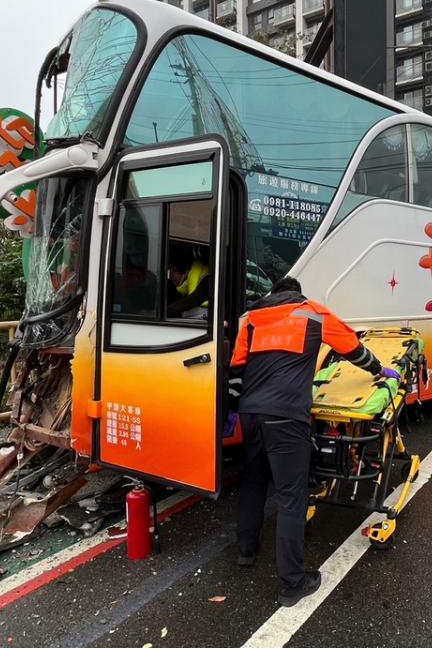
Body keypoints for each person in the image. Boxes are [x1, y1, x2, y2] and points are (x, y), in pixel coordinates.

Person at [229, 276, 400, 607]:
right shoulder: (311, 313)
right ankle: (292, 582)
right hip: (286, 416)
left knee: (253, 480)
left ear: (273, 296)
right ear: (297, 294)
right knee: (292, 496)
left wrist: (236, 409)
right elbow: (352, 348)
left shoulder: (252, 319)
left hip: (251, 415)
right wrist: (380, 369)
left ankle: (246, 551)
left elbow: (236, 370)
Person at [167, 247, 209, 319]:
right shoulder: (183, 286)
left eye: (172, 271)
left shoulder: (206, 279)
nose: (171, 277)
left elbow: (191, 301)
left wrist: (163, 311)